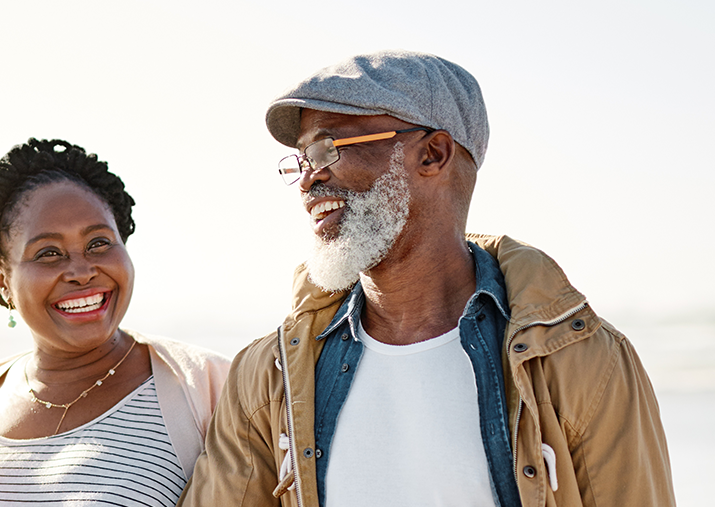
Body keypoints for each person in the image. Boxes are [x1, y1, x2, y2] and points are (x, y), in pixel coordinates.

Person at [178, 50, 674, 507]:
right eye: (302, 159)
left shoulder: (583, 361)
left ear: (433, 154)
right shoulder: (269, 377)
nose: (309, 178)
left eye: (328, 149)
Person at [0, 139, 231, 507]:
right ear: (3, 281)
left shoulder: (208, 390)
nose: (82, 271)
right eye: (49, 253)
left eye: (99, 243)